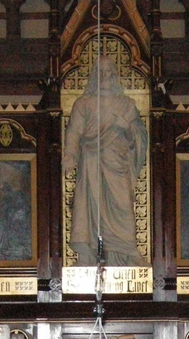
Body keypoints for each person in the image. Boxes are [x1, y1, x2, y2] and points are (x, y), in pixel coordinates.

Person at [62, 55, 148, 266]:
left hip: (118, 165)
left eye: (109, 71)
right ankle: (88, 255)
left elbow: (140, 136)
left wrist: (126, 126)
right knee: (91, 209)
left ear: (114, 74)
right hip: (91, 162)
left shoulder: (126, 104)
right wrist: (70, 155)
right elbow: (73, 132)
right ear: (94, 76)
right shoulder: (83, 104)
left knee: (122, 206)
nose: (105, 75)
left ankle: (128, 251)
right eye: (100, 72)